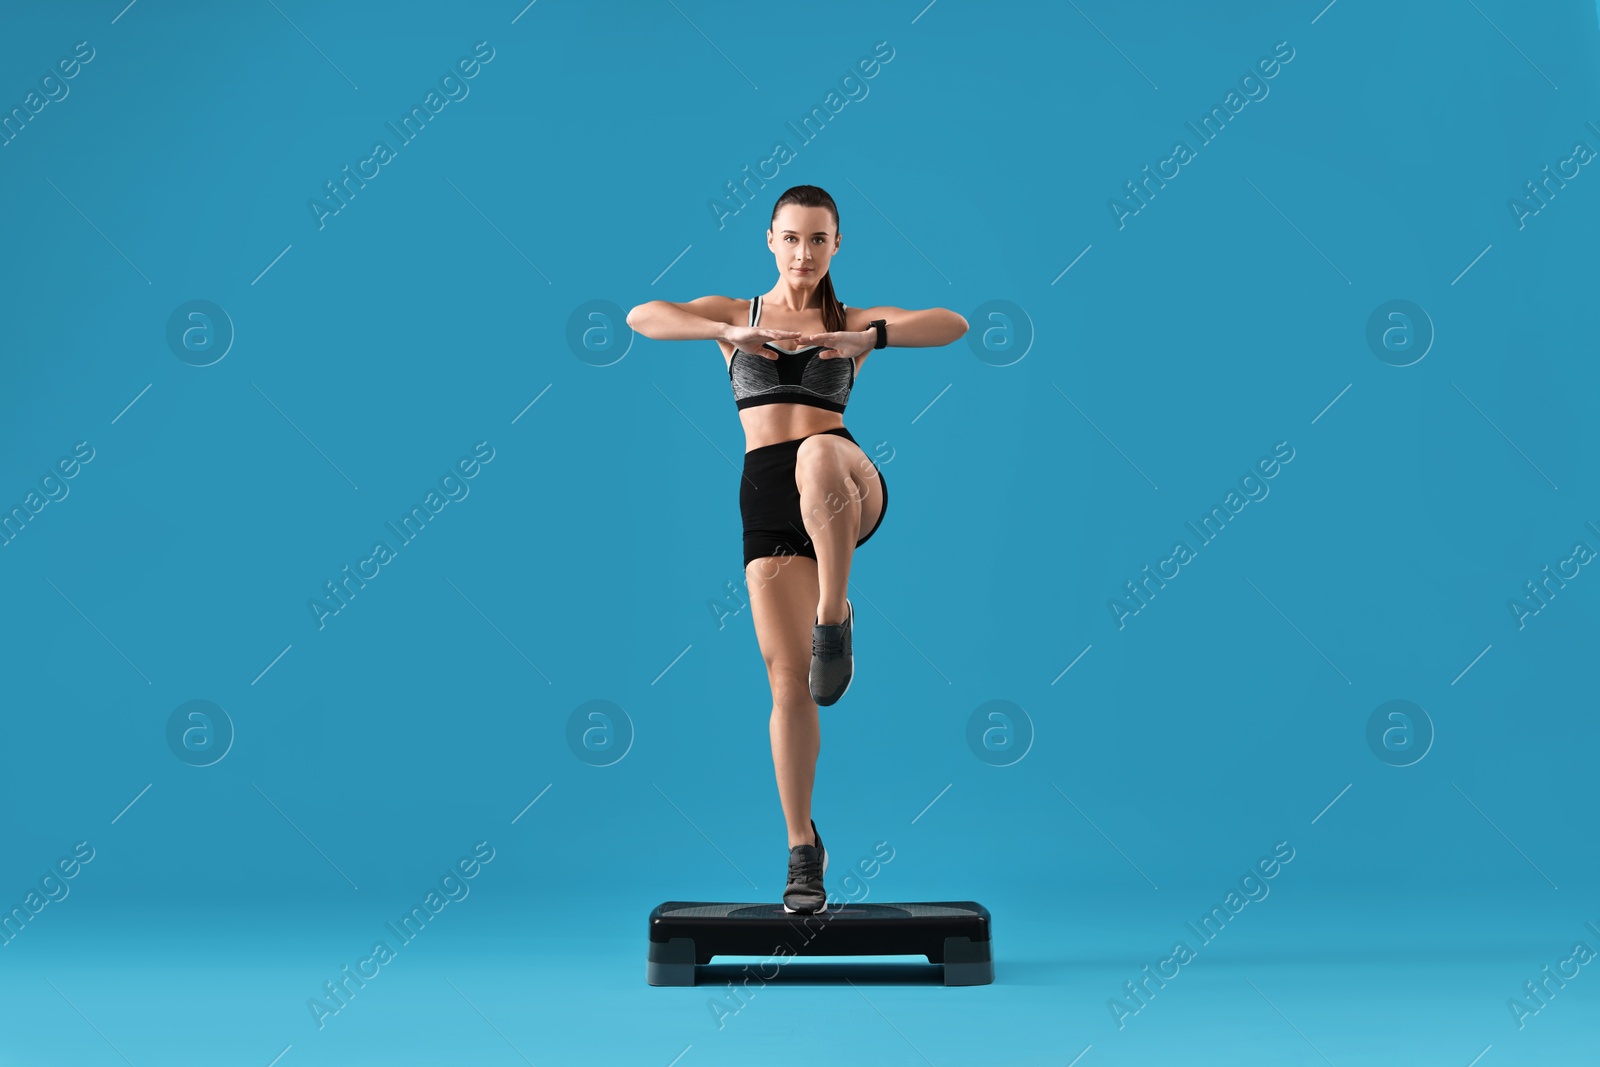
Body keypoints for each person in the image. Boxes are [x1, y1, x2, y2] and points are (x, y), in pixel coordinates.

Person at [626, 184, 968, 913]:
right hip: (765, 495)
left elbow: (953, 323)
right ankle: (802, 847)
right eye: (791, 238)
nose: (804, 253)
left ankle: (834, 615)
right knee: (786, 681)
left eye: (818, 239)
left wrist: (865, 341)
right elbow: (643, 316)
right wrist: (726, 337)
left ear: (836, 244)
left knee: (815, 452)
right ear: (770, 240)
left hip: (842, 481)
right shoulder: (736, 314)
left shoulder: (850, 318)